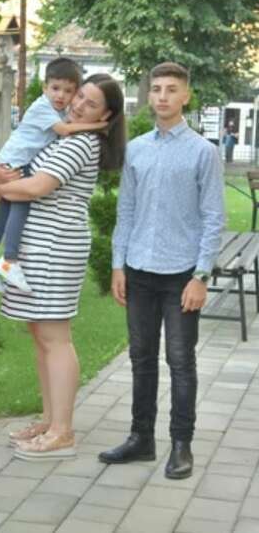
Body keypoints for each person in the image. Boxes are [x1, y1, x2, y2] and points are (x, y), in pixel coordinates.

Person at [100, 62, 225, 479]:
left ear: (186, 95)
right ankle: (141, 438)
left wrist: (201, 276)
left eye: (172, 89)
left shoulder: (203, 152)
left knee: (180, 360)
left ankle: (181, 444)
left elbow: (213, 217)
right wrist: (118, 265)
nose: (163, 96)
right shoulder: (136, 149)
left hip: (181, 275)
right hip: (138, 270)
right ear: (149, 95)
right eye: (156, 89)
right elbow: (126, 211)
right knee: (141, 358)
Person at [0, 74, 127, 461]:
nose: (79, 105)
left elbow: (37, 187)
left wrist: (2, 188)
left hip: (55, 249)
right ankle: (50, 420)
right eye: (79, 96)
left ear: (106, 116)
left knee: (55, 338)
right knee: (42, 336)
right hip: (38, 247)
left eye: (91, 104)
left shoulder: (83, 142)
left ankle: (62, 431)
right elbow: (21, 178)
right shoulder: (63, 136)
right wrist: (5, 183)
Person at [0, 57, 107, 294]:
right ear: (45, 88)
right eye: (55, 88)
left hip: (15, 161)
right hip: (16, 163)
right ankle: (10, 261)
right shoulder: (43, 107)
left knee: (3, 215)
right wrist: (98, 125)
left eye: (68, 91)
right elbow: (64, 130)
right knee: (20, 206)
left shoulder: (60, 111)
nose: (61, 95)